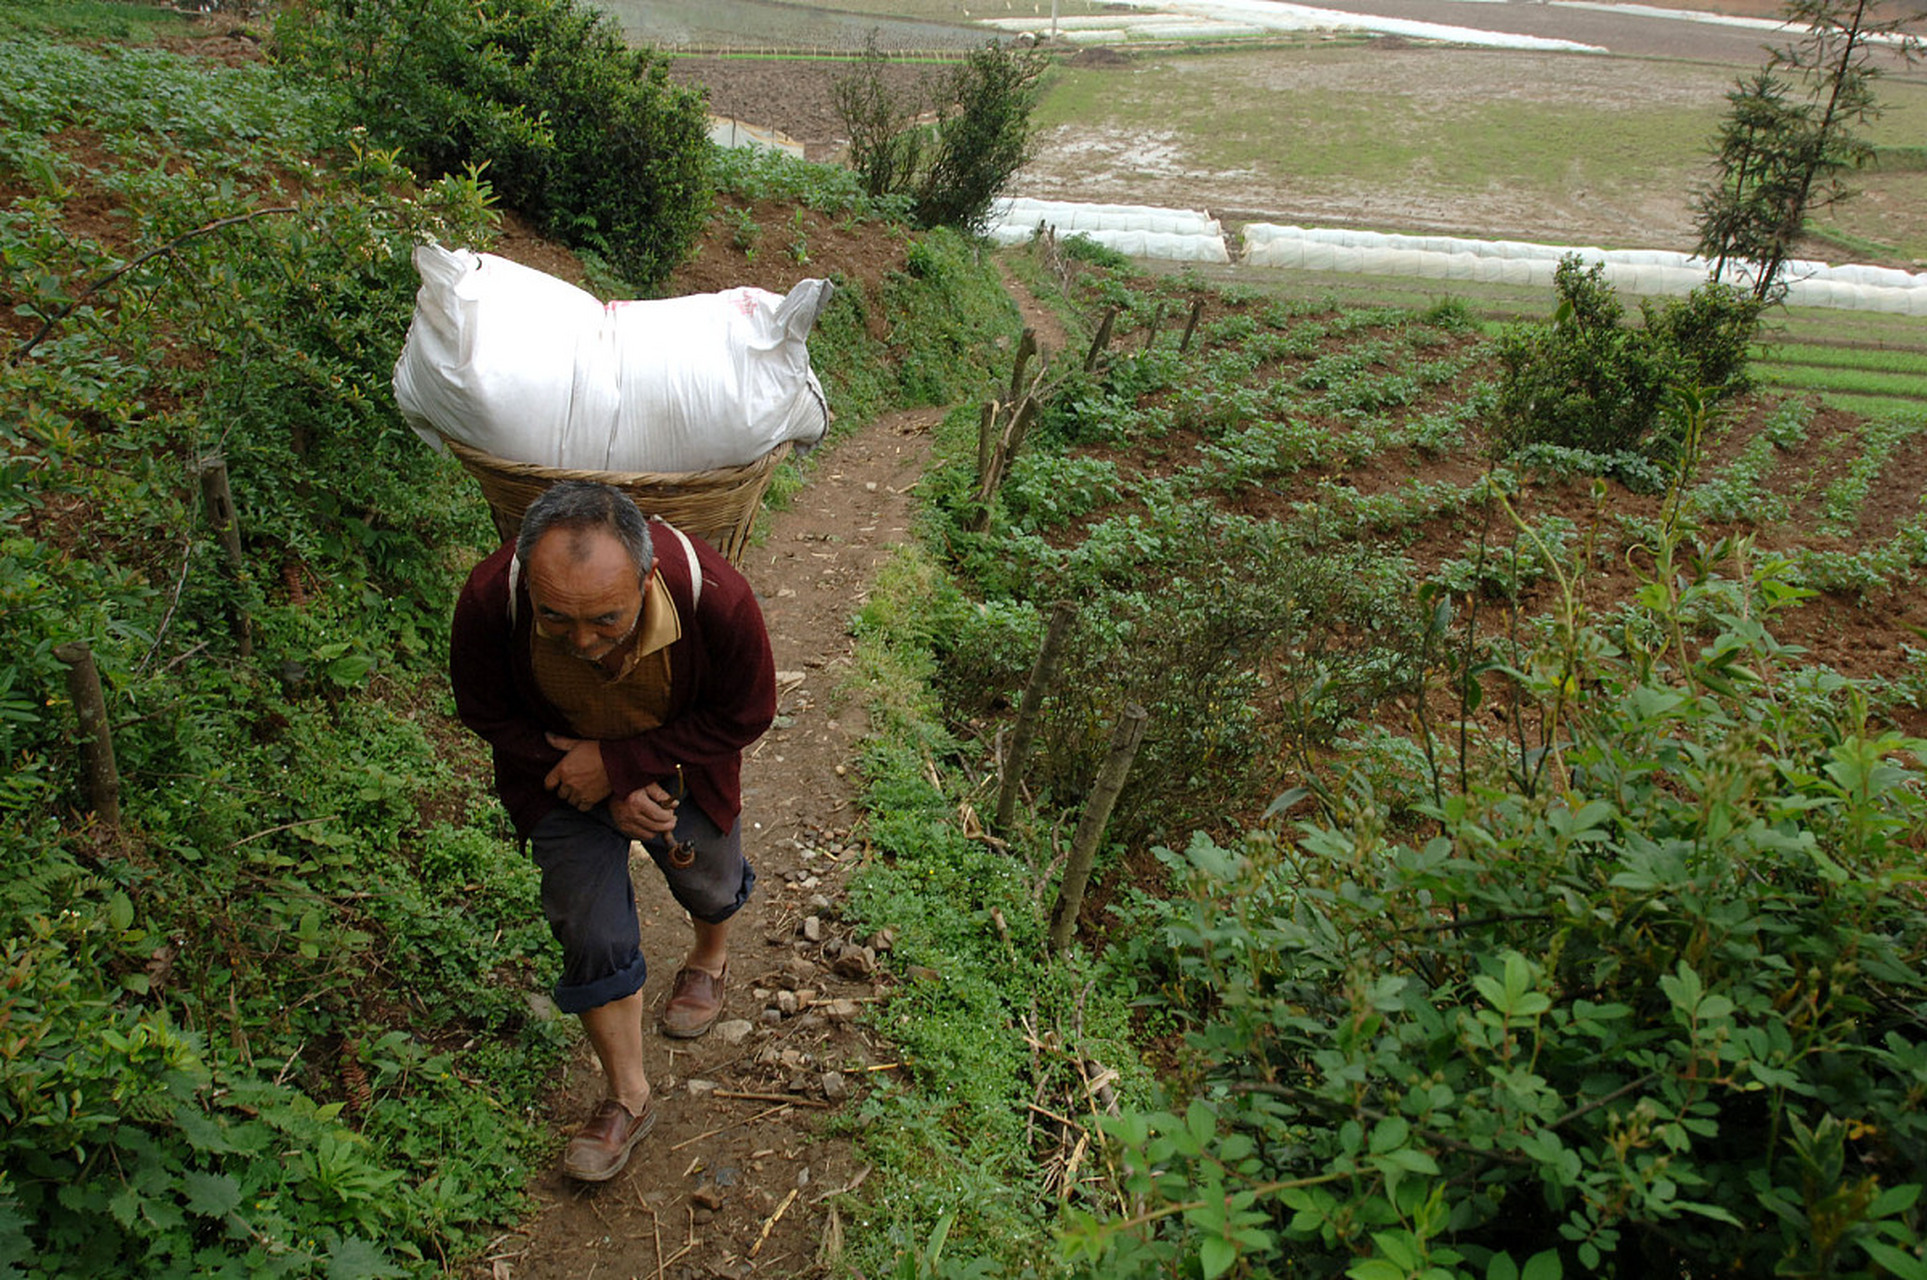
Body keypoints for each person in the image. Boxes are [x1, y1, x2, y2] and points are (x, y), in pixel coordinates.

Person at [449, 481, 775, 1182]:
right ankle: (627, 1095)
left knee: (708, 877)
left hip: (680, 763)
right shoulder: (488, 599)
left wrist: (623, 766)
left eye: (606, 619)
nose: (585, 642)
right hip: (556, 774)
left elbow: (745, 713)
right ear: (527, 581)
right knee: (589, 929)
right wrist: (590, 782)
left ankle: (709, 958)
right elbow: (484, 710)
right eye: (556, 621)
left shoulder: (713, 596)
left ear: (647, 575)